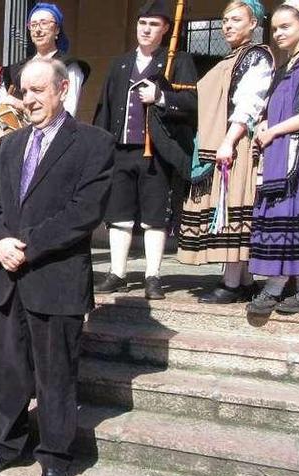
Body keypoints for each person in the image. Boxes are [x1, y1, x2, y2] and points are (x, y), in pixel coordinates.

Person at [0, 58, 114, 476]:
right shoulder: (10, 145)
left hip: (55, 279)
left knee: (55, 375)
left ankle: (54, 458)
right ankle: (5, 442)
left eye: (38, 91)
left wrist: (25, 246)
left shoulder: (94, 143)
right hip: (7, 277)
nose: (28, 99)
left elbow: (84, 212)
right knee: (9, 370)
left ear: (62, 90)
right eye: (23, 91)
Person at [93, 0, 198, 300]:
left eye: (153, 24)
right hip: (121, 150)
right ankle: (118, 273)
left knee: (155, 216)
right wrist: (101, 150)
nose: (146, 29)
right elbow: (105, 108)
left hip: (157, 152)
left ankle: (153, 275)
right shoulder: (119, 64)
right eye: (142, 23)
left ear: (165, 29)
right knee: (118, 215)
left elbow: (193, 105)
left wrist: (161, 97)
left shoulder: (178, 60)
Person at [177, 0, 273, 304]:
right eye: (224, 20)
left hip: (238, 142)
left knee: (233, 205)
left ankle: (232, 283)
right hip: (221, 141)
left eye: (235, 20)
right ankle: (242, 280)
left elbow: (249, 105)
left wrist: (229, 141)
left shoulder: (257, 57)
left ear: (253, 24)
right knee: (228, 207)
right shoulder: (230, 59)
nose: (227, 25)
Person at [247, 0, 299, 316]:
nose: (277, 33)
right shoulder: (284, 67)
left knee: (297, 214)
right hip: (280, 151)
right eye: (274, 28)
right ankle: (280, 288)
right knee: (281, 216)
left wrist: (274, 130)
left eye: (285, 26)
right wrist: (265, 125)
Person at [2, 3, 90, 117]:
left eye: (44, 23)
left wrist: (20, 105)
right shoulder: (18, 68)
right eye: (33, 25)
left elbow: (68, 111)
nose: (37, 30)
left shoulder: (69, 66)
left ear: (57, 29)